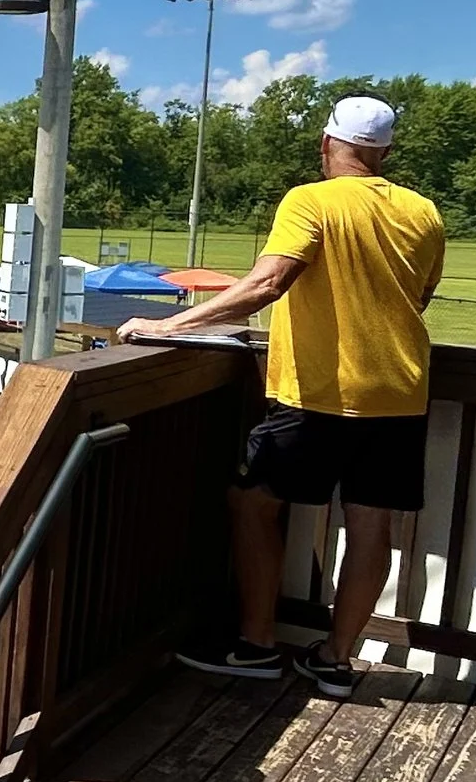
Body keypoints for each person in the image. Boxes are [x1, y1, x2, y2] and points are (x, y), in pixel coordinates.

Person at [119, 94, 446, 697]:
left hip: (320, 393)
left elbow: (268, 282)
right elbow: (419, 298)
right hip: (401, 391)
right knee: (371, 524)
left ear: (327, 143)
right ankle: (335, 660)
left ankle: (256, 645)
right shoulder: (423, 211)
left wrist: (167, 326)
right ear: (386, 151)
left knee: (251, 502)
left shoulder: (310, 200)